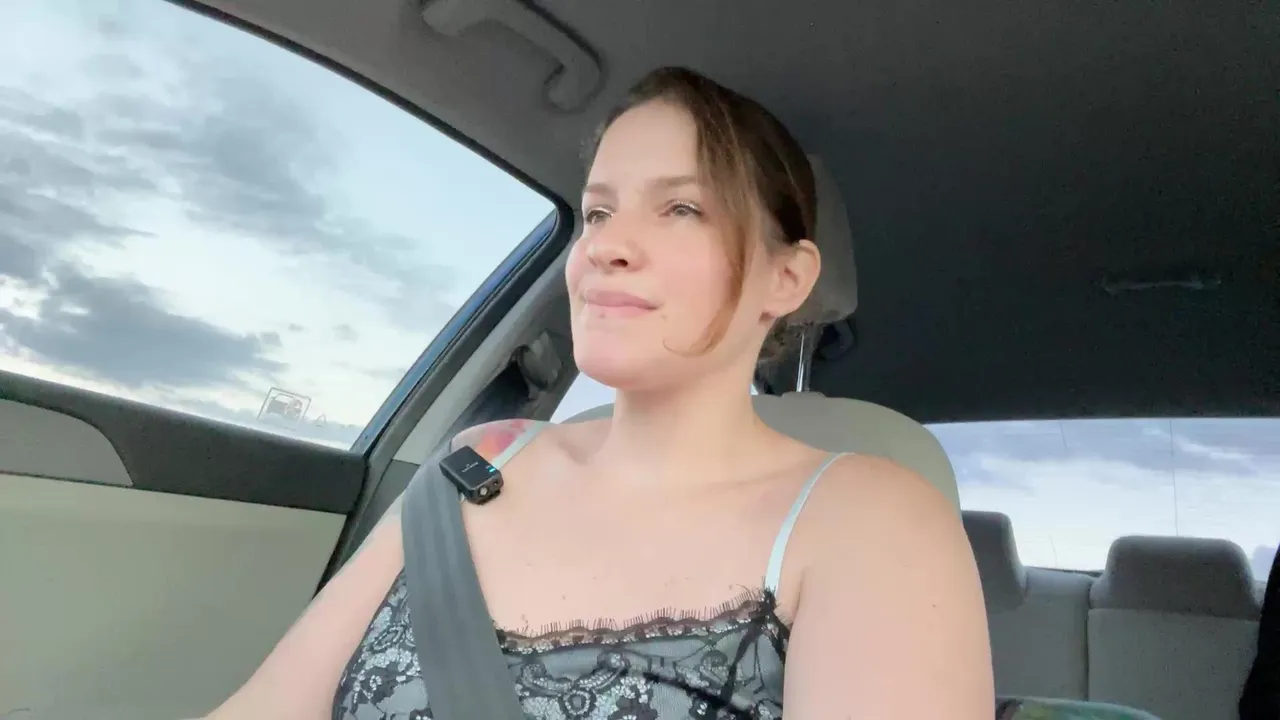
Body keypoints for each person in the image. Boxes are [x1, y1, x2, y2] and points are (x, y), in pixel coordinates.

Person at [205, 66, 994, 719]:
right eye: (598, 212)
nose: (607, 244)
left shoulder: (870, 518)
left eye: (681, 208)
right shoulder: (477, 463)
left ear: (787, 277)